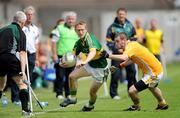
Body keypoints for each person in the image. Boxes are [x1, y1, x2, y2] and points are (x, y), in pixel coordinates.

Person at [103, 32, 168, 111]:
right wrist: (120, 66)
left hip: (154, 74)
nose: (116, 44)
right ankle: (162, 104)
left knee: (132, 91)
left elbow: (124, 57)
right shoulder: (132, 44)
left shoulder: (130, 47)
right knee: (152, 87)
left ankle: (136, 106)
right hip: (156, 70)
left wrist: (107, 56)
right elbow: (132, 58)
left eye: (117, 41)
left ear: (123, 40)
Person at [59, 21, 109, 111]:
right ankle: (72, 98)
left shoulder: (91, 39)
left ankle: (90, 105)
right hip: (90, 65)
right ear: (75, 31)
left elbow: (93, 52)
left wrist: (84, 61)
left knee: (92, 92)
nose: (80, 32)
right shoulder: (78, 43)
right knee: (72, 76)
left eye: (82, 30)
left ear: (86, 30)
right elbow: (72, 55)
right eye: (78, 30)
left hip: (101, 69)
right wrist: (63, 62)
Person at [0, 11, 32, 115]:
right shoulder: (20, 32)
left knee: (1, 85)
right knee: (22, 84)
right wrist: (23, 71)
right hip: (10, 57)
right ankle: (25, 110)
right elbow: (22, 53)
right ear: (23, 22)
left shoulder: (2, 29)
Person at [106, 7, 137, 100]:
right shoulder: (112, 27)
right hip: (117, 55)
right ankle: (114, 94)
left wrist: (129, 47)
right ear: (117, 15)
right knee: (115, 73)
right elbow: (108, 40)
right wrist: (116, 48)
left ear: (125, 15)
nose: (121, 16)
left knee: (132, 73)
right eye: (119, 14)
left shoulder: (130, 25)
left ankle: (131, 92)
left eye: (123, 14)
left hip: (129, 54)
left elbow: (135, 37)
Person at [51, 12, 78, 100]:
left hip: (72, 57)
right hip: (61, 56)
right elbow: (53, 42)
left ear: (75, 20)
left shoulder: (77, 30)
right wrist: (54, 54)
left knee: (70, 76)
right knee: (60, 75)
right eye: (69, 19)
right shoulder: (59, 28)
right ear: (66, 19)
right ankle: (59, 93)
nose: (71, 20)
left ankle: (68, 93)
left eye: (72, 19)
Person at [23, 6, 40, 85]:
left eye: (31, 14)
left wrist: (36, 58)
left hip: (32, 54)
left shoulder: (35, 29)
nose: (29, 16)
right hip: (22, 53)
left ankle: (26, 95)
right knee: (21, 75)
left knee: (29, 75)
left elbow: (36, 44)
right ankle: (16, 96)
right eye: (28, 14)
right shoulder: (21, 28)